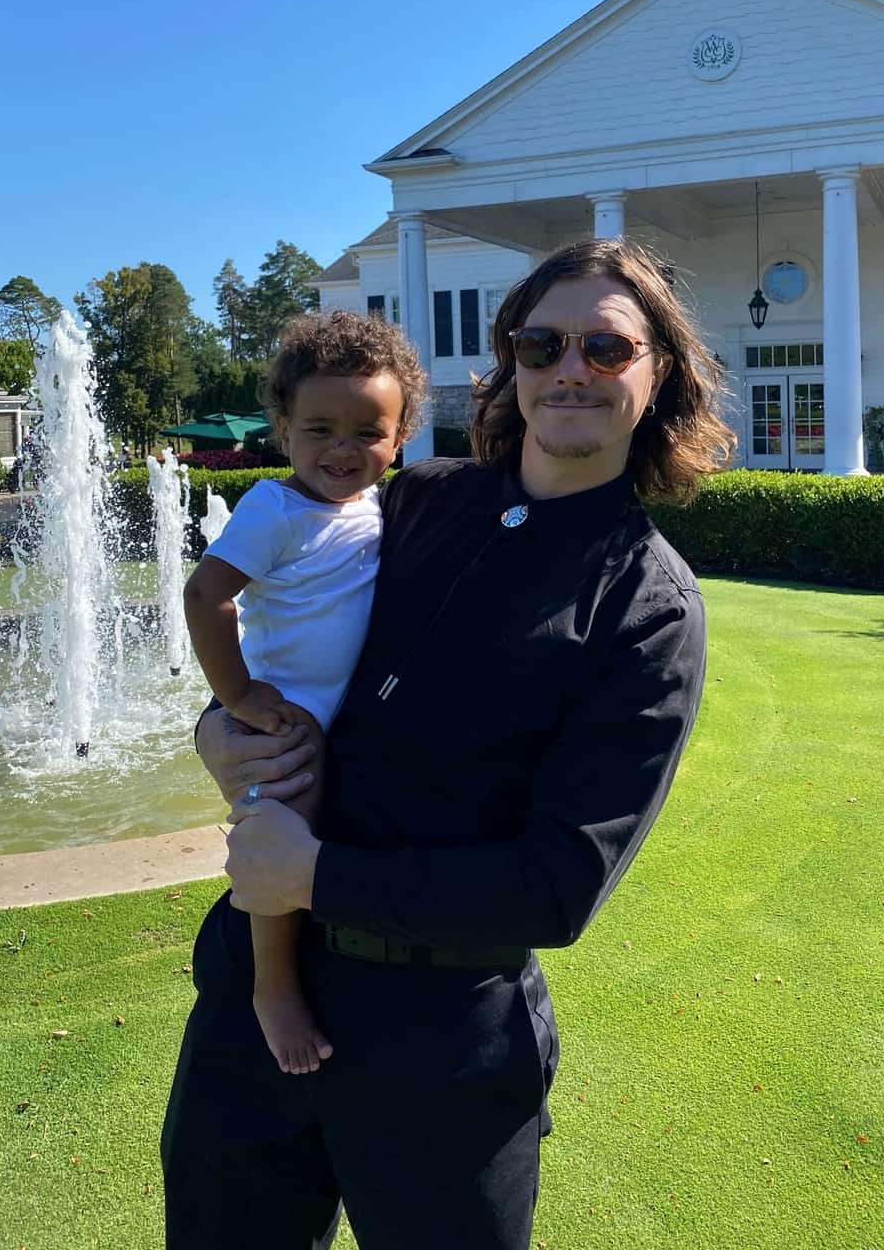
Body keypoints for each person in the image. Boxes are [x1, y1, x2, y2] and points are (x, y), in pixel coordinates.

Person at [161, 237, 735, 1249]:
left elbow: (556, 887)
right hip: (254, 1010)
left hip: (442, 1044)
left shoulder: (647, 606)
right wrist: (221, 729)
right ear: (512, 361)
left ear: (661, 378)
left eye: (607, 348)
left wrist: (315, 873)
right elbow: (289, 636)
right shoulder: (413, 498)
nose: (570, 369)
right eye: (542, 343)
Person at [182, 308, 426, 1075]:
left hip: (343, 718)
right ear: (282, 428)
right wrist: (238, 698)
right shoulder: (275, 509)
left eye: (367, 432)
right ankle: (273, 986)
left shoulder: (380, 505)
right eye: (319, 429)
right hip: (285, 720)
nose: (342, 449)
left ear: (400, 436)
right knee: (278, 836)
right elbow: (206, 595)